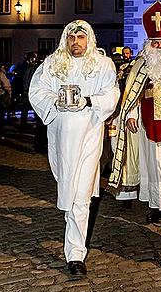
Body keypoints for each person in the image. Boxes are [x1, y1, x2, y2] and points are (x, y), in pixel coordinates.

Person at [29, 19, 119, 276]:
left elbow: (111, 94)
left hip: (88, 137)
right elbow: (37, 91)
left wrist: (88, 101)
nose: (75, 43)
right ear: (65, 39)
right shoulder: (54, 63)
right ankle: (74, 240)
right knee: (68, 191)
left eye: (80, 37)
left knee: (81, 196)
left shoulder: (102, 64)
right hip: (60, 138)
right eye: (71, 38)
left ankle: (75, 254)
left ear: (88, 39)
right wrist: (55, 102)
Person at [109, 1, 161, 223]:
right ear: (148, 44)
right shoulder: (140, 66)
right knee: (153, 166)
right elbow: (132, 93)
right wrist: (131, 115)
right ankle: (158, 204)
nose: (160, 47)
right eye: (155, 42)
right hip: (147, 125)